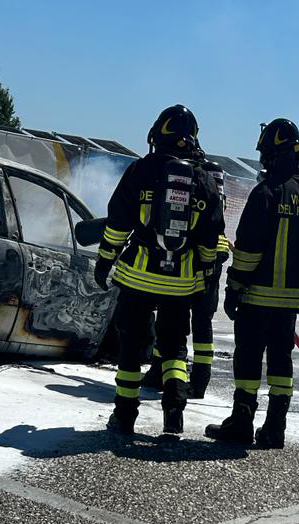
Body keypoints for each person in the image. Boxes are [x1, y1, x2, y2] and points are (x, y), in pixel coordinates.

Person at [94, 104, 224, 435]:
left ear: (157, 135)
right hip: (180, 284)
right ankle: (174, 414)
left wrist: (105, 260)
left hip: (137, 276)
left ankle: (124, 414)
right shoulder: (203, 180)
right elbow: (211, 238)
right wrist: (205, 274)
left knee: (130, 347)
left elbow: (118, 225)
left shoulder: (140, 171)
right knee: (175, 348)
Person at [205, 118, 299, 448]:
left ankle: (241, 422)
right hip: (293, 298)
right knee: (280, 360)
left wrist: (234, 288)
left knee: (248, 357)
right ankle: (276, 427)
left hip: (258, 294)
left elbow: (248, 249)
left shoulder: (267, 192)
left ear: (272, 155)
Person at [141, 154, 229, 399]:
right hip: (213, 261)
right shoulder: (211, 191)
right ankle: (200, 379)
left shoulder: (192, 185)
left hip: (193, 264)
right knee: (202, 323)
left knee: (170, 321)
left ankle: (159, 373)